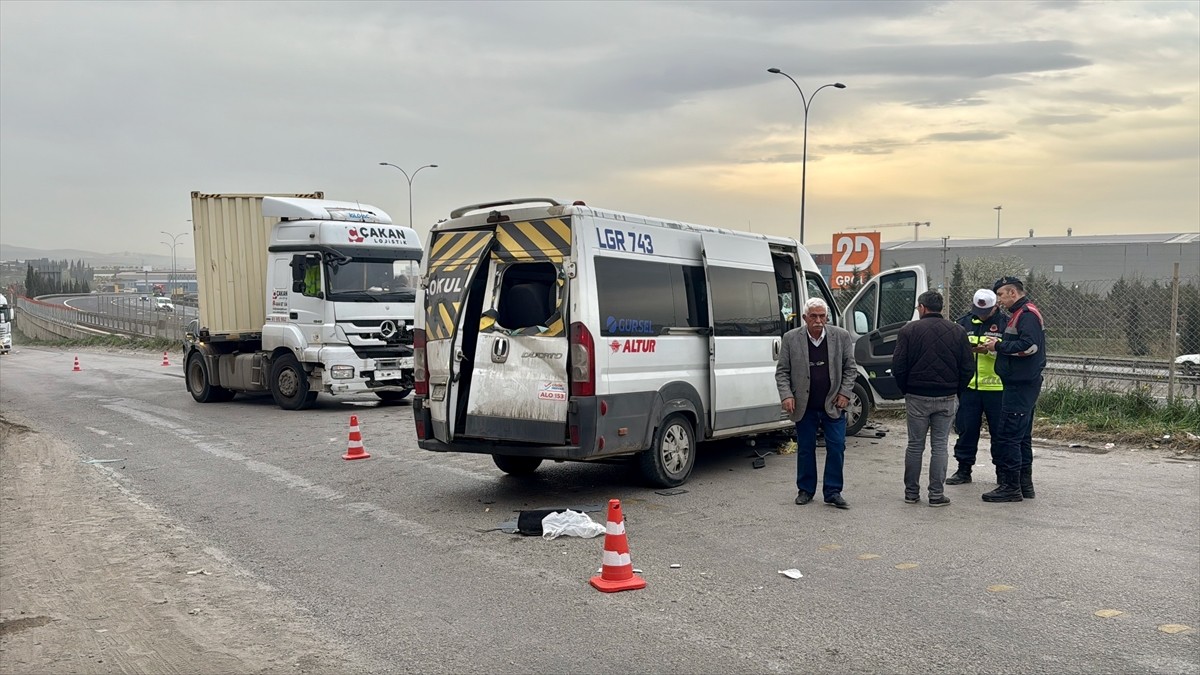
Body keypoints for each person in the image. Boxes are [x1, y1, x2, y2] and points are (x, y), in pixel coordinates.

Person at [891, 290, 973, 506]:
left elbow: (898, 366)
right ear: (941, 308)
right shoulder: (958, 331)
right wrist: (957, 390)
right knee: (939, 446)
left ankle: (911, 493)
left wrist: (905, 389)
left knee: (915, 445)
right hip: (946, 396)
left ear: (922, 307)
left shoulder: (908, 330)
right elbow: (967, 367)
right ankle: (936, 495)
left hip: (916, 396)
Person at [775, 298, 858, 510]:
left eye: (822, 316)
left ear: (827, 317)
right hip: (805, 405)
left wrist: (845, 393)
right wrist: (786, 395)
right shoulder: (791, 339)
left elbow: (850, 369)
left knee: (837, 446)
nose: (818, 321)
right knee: (805, 448)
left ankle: (833, 492)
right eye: (814, 316)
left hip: (833, 403)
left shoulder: (841, 337)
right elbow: (782, 372)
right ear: (805, 318)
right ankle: (805, 489)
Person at [979, 276, 1046, 503]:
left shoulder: (1026, 315)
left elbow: (1030, 346)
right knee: (1021, 437)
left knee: (1008, 436)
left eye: (1000, 295)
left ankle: (1010, 487)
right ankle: (1024, 485)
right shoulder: (1019, 314)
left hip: (1020, 385)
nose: (999, 301)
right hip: (1020, 383)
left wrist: (998, 346)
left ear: (1013, 293)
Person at [946, 289, 1006, 486]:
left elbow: (1012, 352)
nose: (981, 315)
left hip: (996, 388)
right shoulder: (964, 322)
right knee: (967, 429)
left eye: (985, 311)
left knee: (1000, 433)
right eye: (977, 310)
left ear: (995, 306)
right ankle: (964, 469)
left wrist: (992, 350)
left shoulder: (1006, 324)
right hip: (970, 387)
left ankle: (1002, 472)